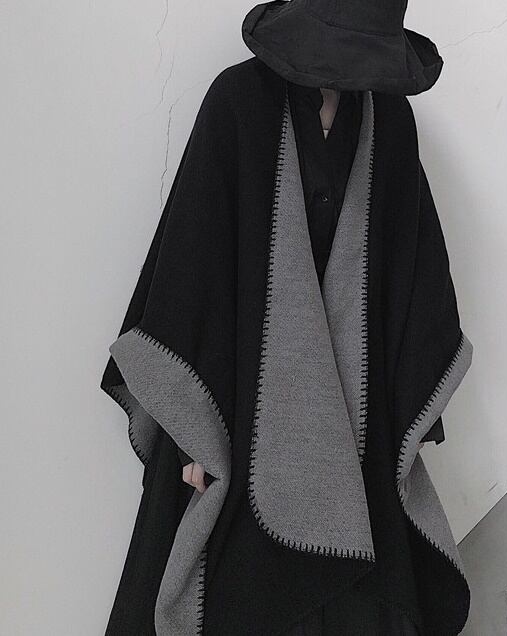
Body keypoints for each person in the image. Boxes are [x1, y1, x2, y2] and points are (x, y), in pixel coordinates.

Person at [100, 1, 473, 634]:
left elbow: (412, 276)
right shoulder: (237, 102)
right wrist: (195, 435)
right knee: (236, 595)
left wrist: (411, 421)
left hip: (358, 422)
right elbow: (193, 268)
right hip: (239, 413)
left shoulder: (390, 119)